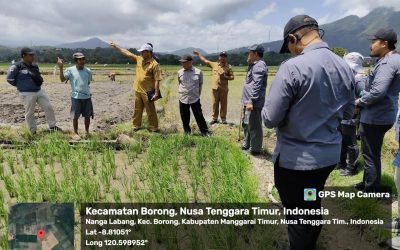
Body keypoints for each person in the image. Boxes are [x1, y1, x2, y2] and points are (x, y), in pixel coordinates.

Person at [262, 15, 355, 249]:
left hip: (296, 164)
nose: (292, 52)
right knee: (311, 202)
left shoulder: (292, 67)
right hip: (326, 160)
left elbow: (270, 119)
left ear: (293, 38)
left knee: (297, 216)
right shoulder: (343, 65)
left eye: (290, 47)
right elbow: (348, 113)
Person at [354, 28, 400, 192]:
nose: (371, 46)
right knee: (370, 153)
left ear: (384, 43)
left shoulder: (388, 63)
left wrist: (358, 103)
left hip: (375, 116)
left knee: (370, 154)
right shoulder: (393, 59)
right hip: (384, 114)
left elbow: (377, 92)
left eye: (374, 42)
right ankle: (368, 182)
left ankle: (371, 190)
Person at [6, 47, 61, 134]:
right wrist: (21, 86)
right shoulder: (16, 66)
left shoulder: (35, 66)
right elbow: (9, 79)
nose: (33, 56)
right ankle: (33, 131)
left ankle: (52, 126)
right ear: (23, 56)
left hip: (39, 91)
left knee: (48, 107)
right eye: (30, 55)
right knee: (30, 112)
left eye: (33, 55)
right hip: (26, 93)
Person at [110, 41, 162, 132]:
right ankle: (136, 125)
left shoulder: (154, 64)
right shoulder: (139, 59)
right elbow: (127, 53)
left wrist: (156, 93)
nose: (141, 53)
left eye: (143, 51)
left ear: (149, 52)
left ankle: (154, 127)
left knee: (151, 111)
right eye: (141, 51)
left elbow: (157, 79)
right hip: (138, 89)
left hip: (148, 91)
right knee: (137, 109)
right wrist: (116, 47)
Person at [338, 52, 367, 176]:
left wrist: (356, 106)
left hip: (352, 115)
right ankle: (341, 163)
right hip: (345, 113)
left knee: (350, 141)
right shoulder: (353, 77)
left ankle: (352, 167)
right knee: (343, 139)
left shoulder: (359, 79)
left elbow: (365, 97)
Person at [57, 52, 93, 140]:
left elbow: (88, 82)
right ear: (76, 61)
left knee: (87, 116)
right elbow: (62, 79)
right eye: (80, 59)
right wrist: (61, 68)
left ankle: (87, 132)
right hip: (76, 97)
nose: (82, 61)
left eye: (83, 59)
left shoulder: (88, 71)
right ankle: (76, 133)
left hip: (87, 97)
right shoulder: (70, 70)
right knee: (75, 116)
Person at [192, 49, 234, 124]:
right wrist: (198, 54)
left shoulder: (229, 67)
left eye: (224, 56)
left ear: (226, 58)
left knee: (224, 104)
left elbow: (232, 77)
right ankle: (214, 118)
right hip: (215, 88)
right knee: (215, 104)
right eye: (221, 56)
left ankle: (223, 119)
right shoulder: (214, 64)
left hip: (224, 89)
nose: (223, 58)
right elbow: (205, 61)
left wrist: (224, 77)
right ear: (219, 58)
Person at [241, 44, 267, 155]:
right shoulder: (253, 65)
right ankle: (247, 144)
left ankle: (255, 149)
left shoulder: (259, 65)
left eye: (250, 52)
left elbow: (257, 84)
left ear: (255, 53)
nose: (248, 54)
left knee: (255, 125)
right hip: (248, 102)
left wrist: (251, 100)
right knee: (247, 123)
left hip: (253, 103)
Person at [177, 55, 210, 136]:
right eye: (182, 62)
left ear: (190, 62)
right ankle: (187, 132)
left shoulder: (198, 72)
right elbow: (180, 83)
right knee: (184, 117)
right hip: (183, 98)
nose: (182, 64)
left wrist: (197, 95)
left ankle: (205, 132)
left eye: (184, 62)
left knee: (199, 116)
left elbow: (200, 84)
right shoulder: (179, 72)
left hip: (194, 98)